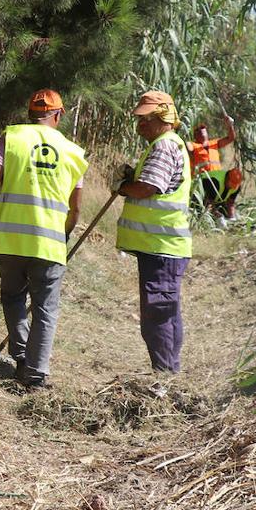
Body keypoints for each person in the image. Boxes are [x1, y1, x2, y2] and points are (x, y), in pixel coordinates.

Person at [0, 89, 88, 389]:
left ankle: (21, 356)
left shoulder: (12, 138)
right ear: (58, 115)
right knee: (45, 307)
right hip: (50, 244)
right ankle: (36, 373)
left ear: (31, 114)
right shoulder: (73, 153)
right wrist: (62, 236)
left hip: (11, 241)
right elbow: (76, 208)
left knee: (13, 297)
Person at [113, 91, 191, 373]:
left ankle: (166, 375)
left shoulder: (164, 146)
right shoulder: (166, 144)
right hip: (160, 246)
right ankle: (168, 372)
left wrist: (123, 187)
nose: (139, 126)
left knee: (158, 314)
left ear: (163, 118)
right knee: (165, 312)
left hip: (161, 245)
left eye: (146, 120)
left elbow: (149, 188)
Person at [187, 114, 239, 224]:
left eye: (203, 128)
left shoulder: (214, 143)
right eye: (198, 130)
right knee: (208, 201)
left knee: (233, 189)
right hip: (202, 181)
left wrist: (230, 125)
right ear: (195, 134)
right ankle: (218, 220)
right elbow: (186, 146)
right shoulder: (193, 145)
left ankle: (232, 219)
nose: (202, 130)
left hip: (218, 179)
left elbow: (231, 138)